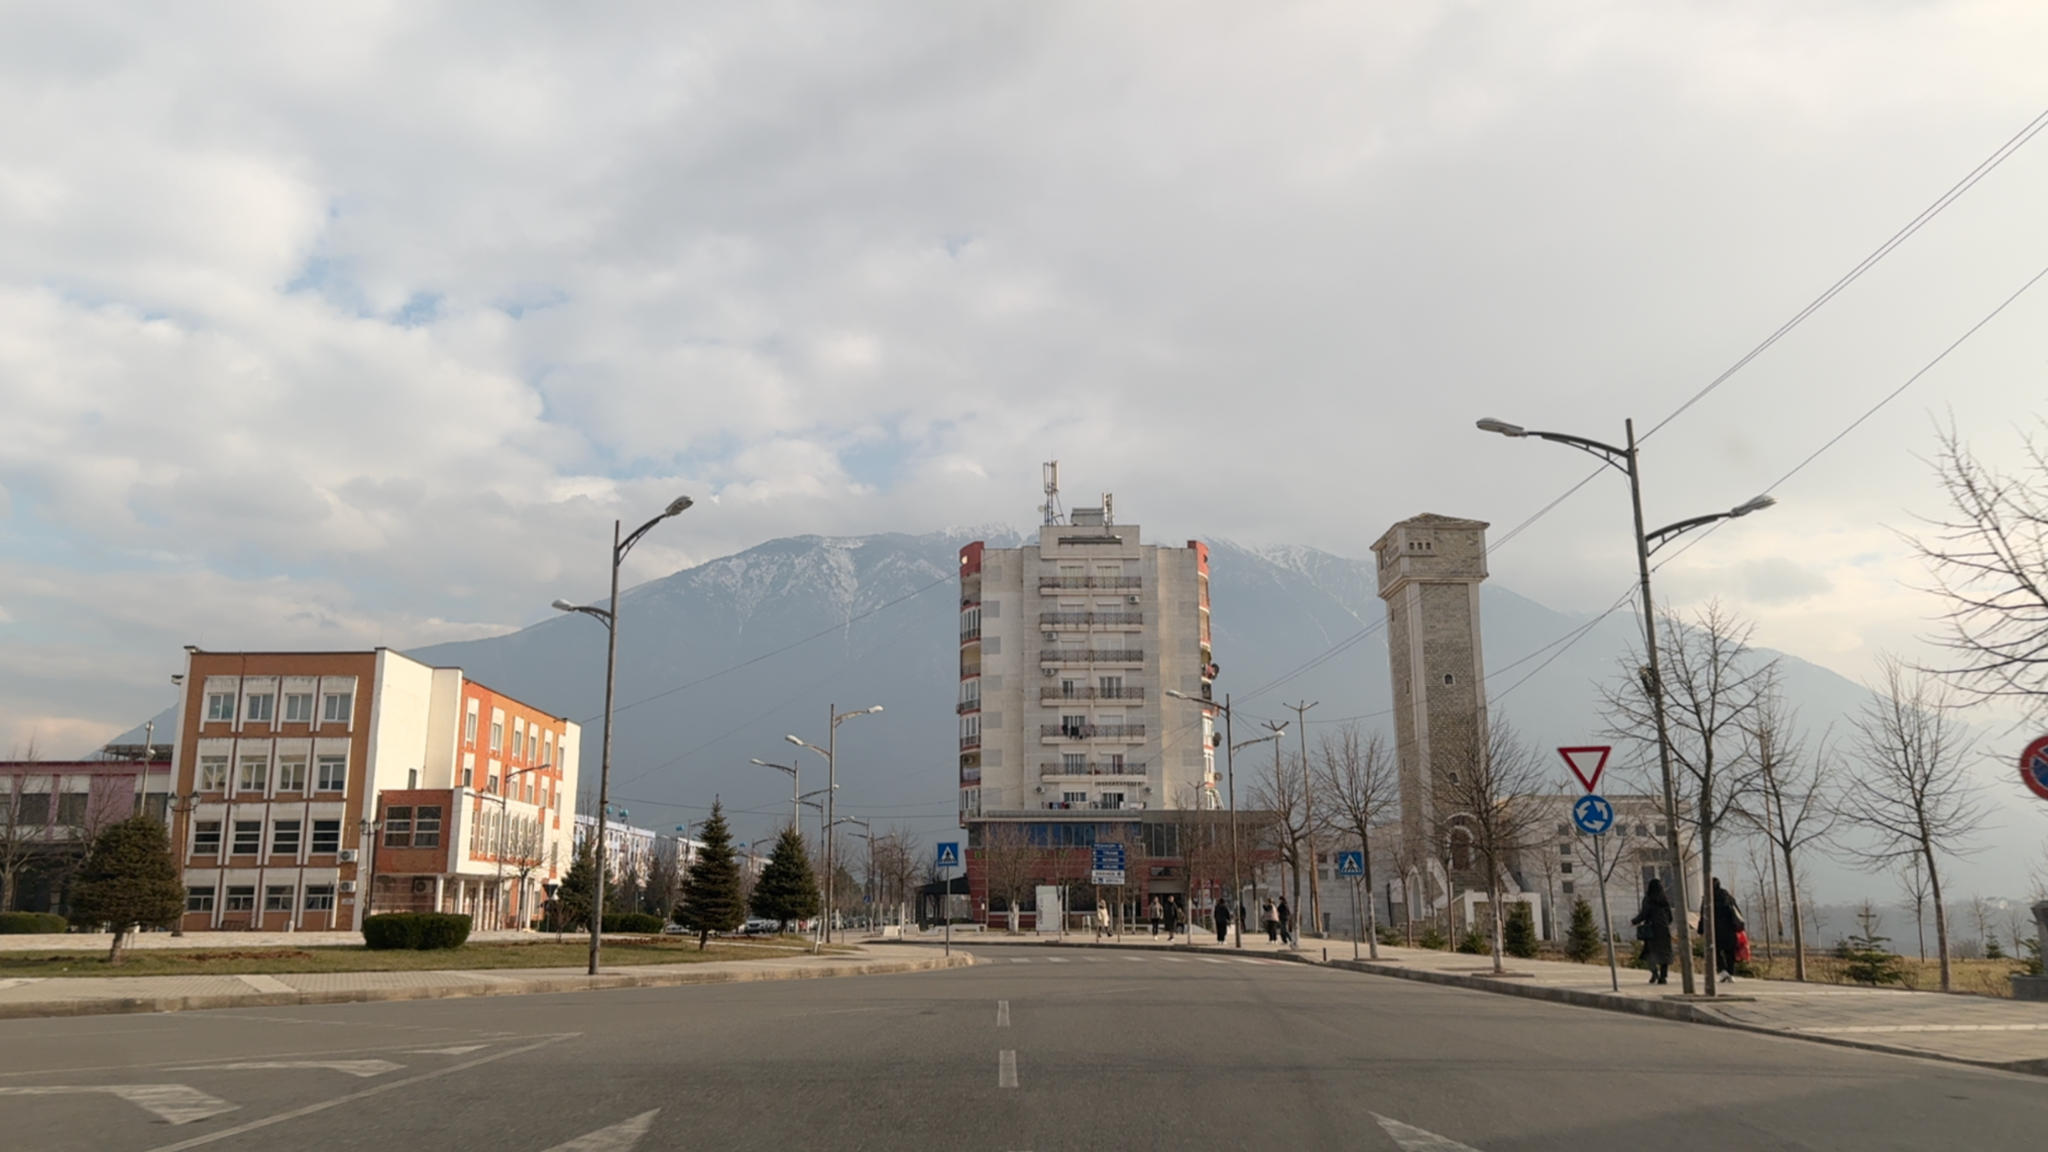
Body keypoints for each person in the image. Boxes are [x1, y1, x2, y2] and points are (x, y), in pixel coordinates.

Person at [1631, 877, 1674, 985]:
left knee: (1649, 953)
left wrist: (1634, 921)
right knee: (1664, 954)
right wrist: (1665, 924)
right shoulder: (1665, 899)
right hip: (1664, 930)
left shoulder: (1648, 898)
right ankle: (1663, 977)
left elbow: (1644, 913)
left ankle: (1655, 973)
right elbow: (1670, 917)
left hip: (1652, 930)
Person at [1709, 878, 1745, 981]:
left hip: (1715, 930)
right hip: (1729, 930)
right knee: (1730, 952)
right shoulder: (1728, 898)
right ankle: (1731, 973)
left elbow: (1704, 916)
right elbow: (1737, 913)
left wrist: (1701, 929)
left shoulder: (1708, 899)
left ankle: (1723, 971)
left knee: (1714, 951)